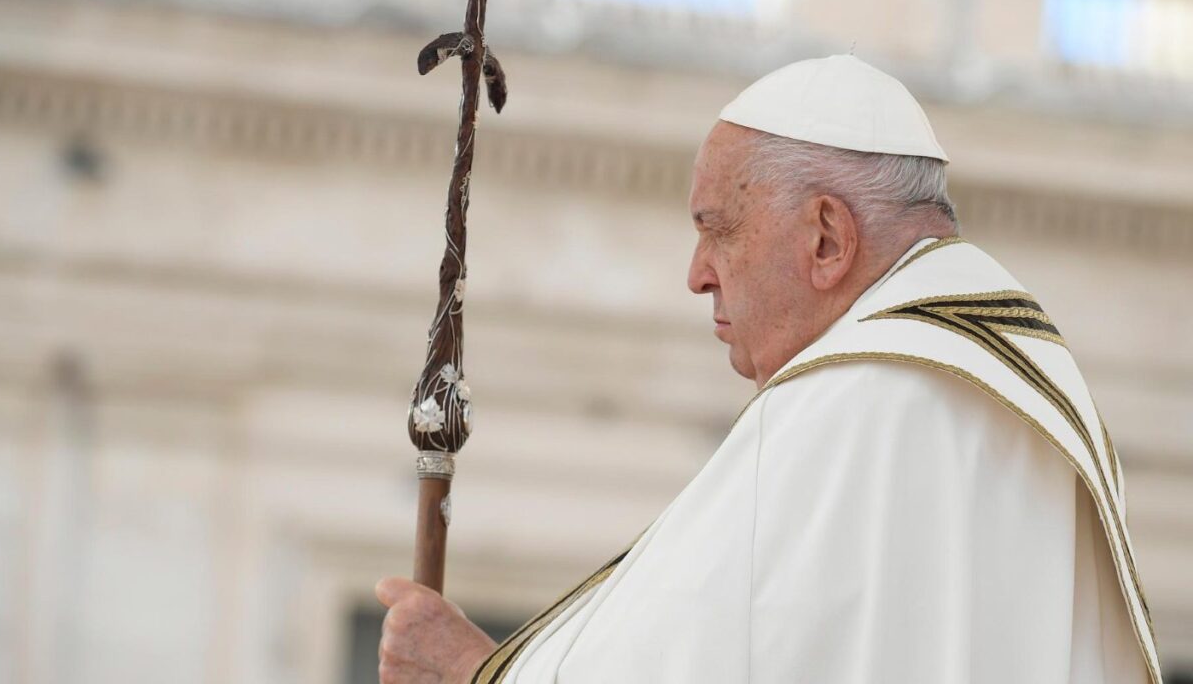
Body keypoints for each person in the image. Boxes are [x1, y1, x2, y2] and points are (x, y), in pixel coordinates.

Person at [374, 55, 1161, 683]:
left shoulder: (851, 403)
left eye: (719, 232)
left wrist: (468, 671)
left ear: (826, 239)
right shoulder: (1043, 399)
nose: (698, 274)